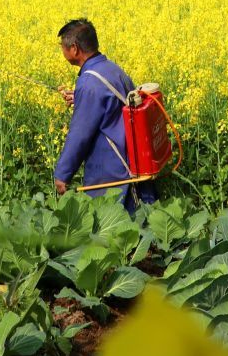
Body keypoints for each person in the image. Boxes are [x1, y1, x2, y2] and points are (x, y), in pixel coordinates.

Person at [52, 19, 156, 212]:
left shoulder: (90, 83)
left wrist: (63, 174)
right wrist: (80, 97)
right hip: (133, 163)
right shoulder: (111, 68)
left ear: (74, 49)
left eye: (63, 47)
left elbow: (80, 134)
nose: (62, 51)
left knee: (113, 232)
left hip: (112, 173)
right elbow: (110, 102)